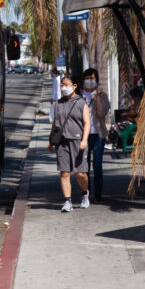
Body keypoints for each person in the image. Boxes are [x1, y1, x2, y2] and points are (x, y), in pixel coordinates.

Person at [48, 76, 90, 212]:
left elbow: (87, 123)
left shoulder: (81, 103)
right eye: (62, 85)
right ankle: (67, 201)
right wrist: (51, 141)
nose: (63, 87)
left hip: (77, 141)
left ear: (75, 86)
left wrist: (84, 140)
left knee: (80, 173)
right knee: (64, 173)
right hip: (62, 142)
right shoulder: (58, 103)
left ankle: (85, 193)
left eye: (66, 84)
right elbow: (55, 122)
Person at [81, 68, 110, 202]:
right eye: (87, 78)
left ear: (97, 80)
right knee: (84, 165)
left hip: (98, 134)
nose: (89, 81)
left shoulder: (103, 95)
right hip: (84, 135)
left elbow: (101, 113)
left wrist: (97, 96)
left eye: (92, 78)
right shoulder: (79, 95)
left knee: (97, 165)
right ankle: (85, 192)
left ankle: (98, 194)